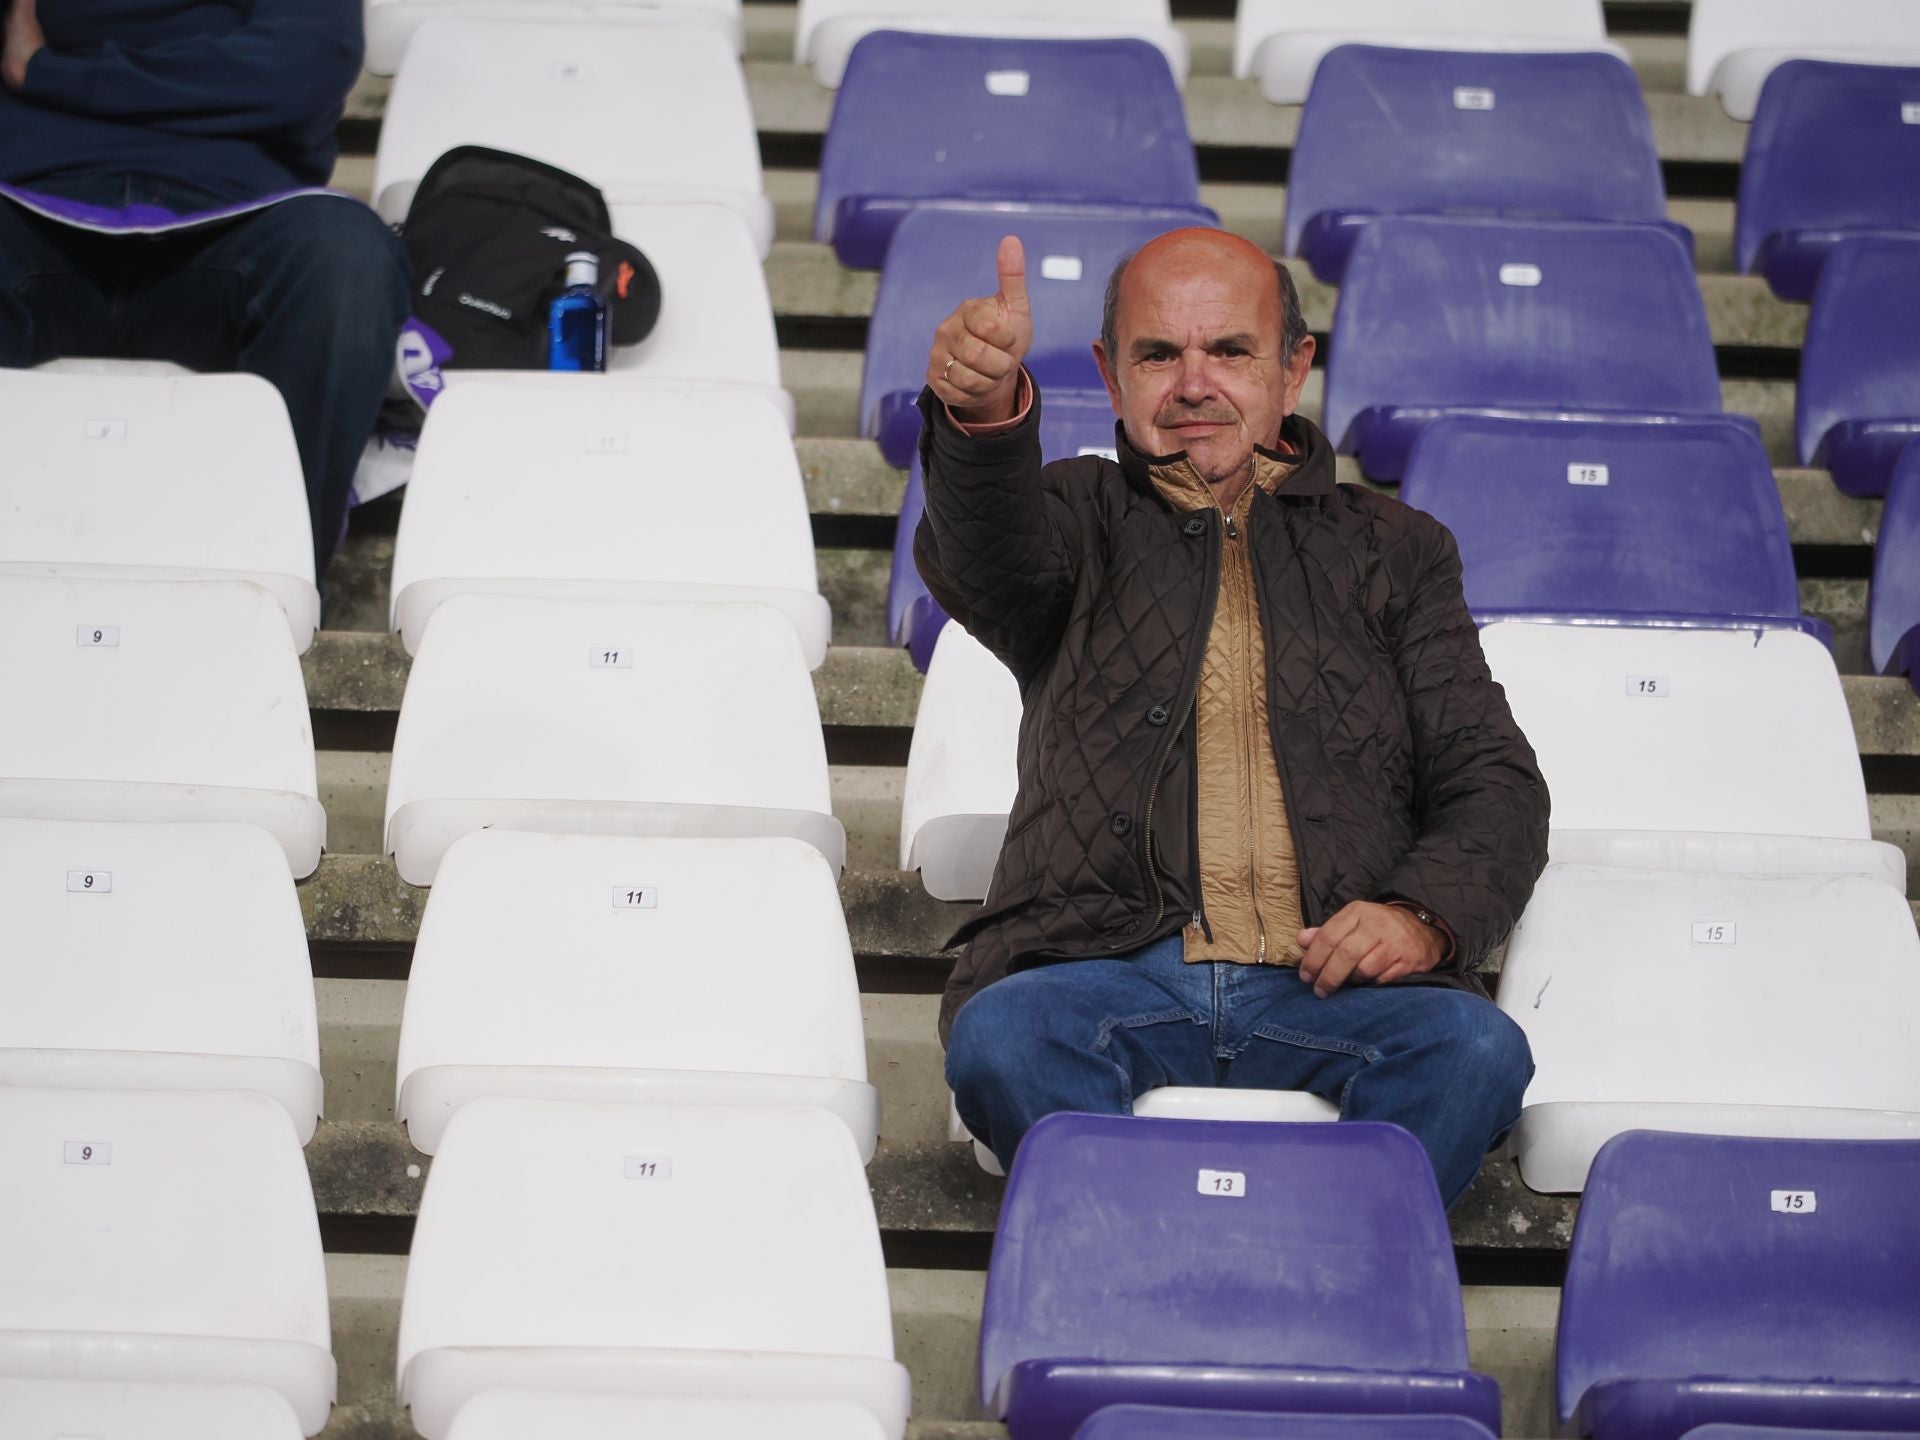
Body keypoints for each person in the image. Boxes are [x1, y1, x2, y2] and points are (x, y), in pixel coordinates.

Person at [917, 228, 1550, 1205]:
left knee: (1475, 1051)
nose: (1193, 383)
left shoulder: (1398, 550)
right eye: (1159, 354)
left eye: (1231, 351)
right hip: (1109, 971)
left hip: (1331, 987)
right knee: (1005, 1037)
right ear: (1110, 375)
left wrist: (1422, 916)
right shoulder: (1074, 516)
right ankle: (1137, 1280)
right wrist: (983, 413)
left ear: (1294, 368)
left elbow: (1493, 783)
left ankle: (1326, 1287)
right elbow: (983, 552)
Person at [0, 0, 410, 579]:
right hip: (27, 213)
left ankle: (271, 586)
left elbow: (297, 74)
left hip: (235, 226)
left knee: (347, 253)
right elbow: (259, 82)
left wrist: (49, 73)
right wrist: (207, 88)